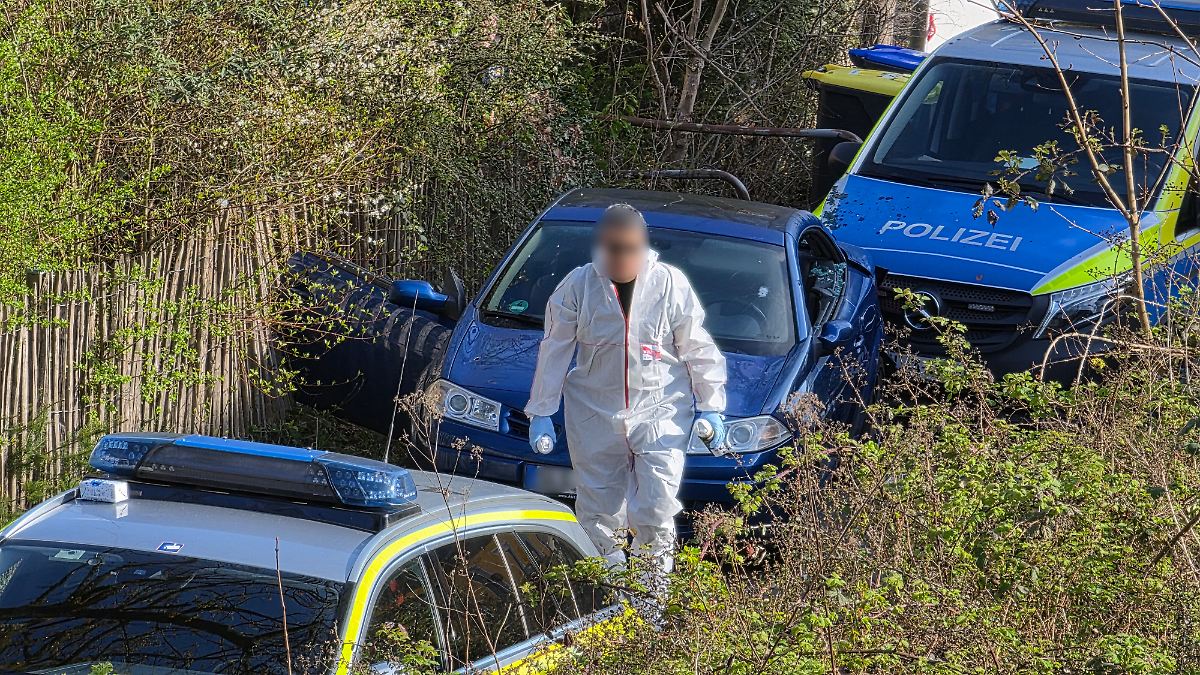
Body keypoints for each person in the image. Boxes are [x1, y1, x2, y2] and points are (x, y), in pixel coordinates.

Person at [524, 203, 727, 575]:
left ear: (642, 245)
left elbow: (697, 346)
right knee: (599, 513)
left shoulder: (669, 284)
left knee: (656, 508)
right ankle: (613, 597)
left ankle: (651, 600)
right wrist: (541, 410)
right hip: (595, 409)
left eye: (629, 248)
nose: (621, 257)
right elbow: (555, 348)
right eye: (613, 248)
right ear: (601, 245)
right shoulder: (579, 285)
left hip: (661, 407)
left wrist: (711, 404)